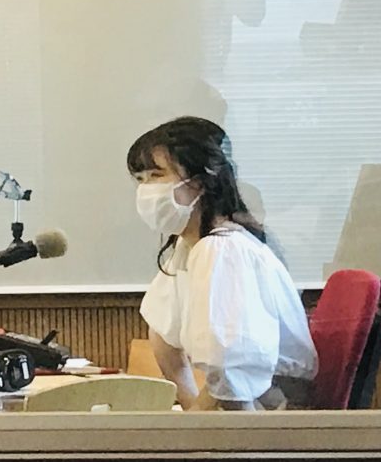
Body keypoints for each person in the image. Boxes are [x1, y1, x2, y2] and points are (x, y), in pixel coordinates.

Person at [128, 116, 317, 411]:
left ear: (199, 183)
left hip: (274, 416)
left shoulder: (223, 250)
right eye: (140, 179)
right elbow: (163, 334)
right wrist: (190, 408)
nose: (145, 190)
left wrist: (191, 426)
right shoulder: (188, 247)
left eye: (156, 175)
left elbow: (233, 380)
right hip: (246, 413)